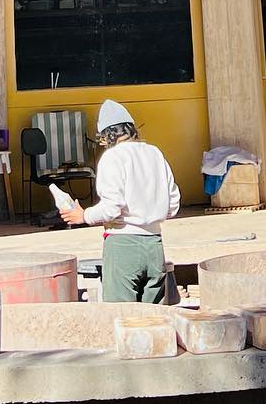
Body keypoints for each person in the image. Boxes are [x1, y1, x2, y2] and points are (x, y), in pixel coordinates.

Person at [58, 98, 180, 302]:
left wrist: (83, 215)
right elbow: (173, 203)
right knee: (155, 320)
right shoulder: (155, 153)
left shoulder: (113, 157)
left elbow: (112, 207)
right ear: (132, 130)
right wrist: (150, 216)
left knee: (122, 318)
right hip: (155, 246)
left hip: (124, 246)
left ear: (106, 137)